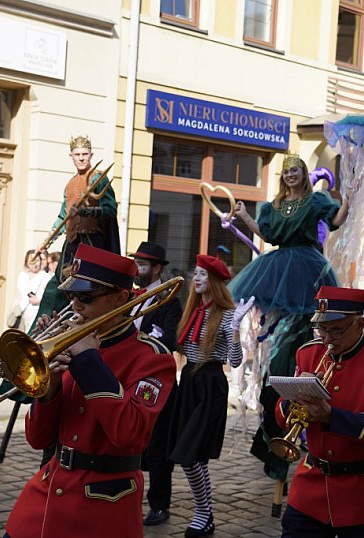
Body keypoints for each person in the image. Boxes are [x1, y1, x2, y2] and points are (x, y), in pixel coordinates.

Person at [4, 244, 176, 538]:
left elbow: (130, 434)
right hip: (45, 495)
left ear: (121, 297)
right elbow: (38, 439)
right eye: (72, 296)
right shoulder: (70, 341)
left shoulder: (152, 358)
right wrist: (50, 386)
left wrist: (88, 362)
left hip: (103, 506)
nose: (76, 306)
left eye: (86, 298)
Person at [229, 153, 349, 481]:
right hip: (278, 266)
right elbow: (267, 235)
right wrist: (243, 216)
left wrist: (350, 199)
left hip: (308, 269)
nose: (291, 175)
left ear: (303, 173)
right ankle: (275, 418)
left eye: (296, 170)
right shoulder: (273, 206)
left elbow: (336, 222)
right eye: (287, 172)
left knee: (299, 333)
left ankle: (291, 397)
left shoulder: (315, 200)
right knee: (278, 338)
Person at [275, 286, 364, 537]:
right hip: (313, 485)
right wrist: (294, 399)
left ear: (359, 323)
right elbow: (281, 415)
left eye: (336, 330)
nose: (327, 339)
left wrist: (331, 416)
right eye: (322, 329)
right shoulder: (308, 353)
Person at [167, 254, 252, 537]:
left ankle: (204, 513)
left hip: (210, 383)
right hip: (189, 382)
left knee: (190, 455)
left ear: (215, 281)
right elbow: (181, 349)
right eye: (197, 273)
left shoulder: (227, 314)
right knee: (192, 456)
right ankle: (206, 515)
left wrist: (236, 330)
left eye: (204, 274)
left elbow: (236, 361)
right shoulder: (191, 310)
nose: (197, 278)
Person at [32, 135, 120, 320]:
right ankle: (43, 331)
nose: (81, 158)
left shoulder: (99, 178)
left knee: (87, 288)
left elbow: (110, 210)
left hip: (92, 243)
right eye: (77, 154)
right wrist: (46, 242)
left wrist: (87, 211)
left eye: (84, 154)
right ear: (70, 156)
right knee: (57, 287)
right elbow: (62, 217)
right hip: (72, 243)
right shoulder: (70, 184)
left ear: (91, 155)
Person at [128, 241, 183, 526]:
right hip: (129, 377)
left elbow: (172, 339)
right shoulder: (129, 295)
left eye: (143, 265)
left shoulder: (170, 300)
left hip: (156, 381)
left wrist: (146, 337)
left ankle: (160, 505)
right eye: (137, 263)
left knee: (158, 448)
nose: (138, 269)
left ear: (157, 268)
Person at [12, 249, 52, 332]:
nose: (35, 264)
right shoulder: (22, 276)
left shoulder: (45, 277)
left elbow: (49, 299)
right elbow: (17, 295)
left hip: (36, 315)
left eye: (37, 261)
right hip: (22, 314)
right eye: (31, 261)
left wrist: (38, 301)